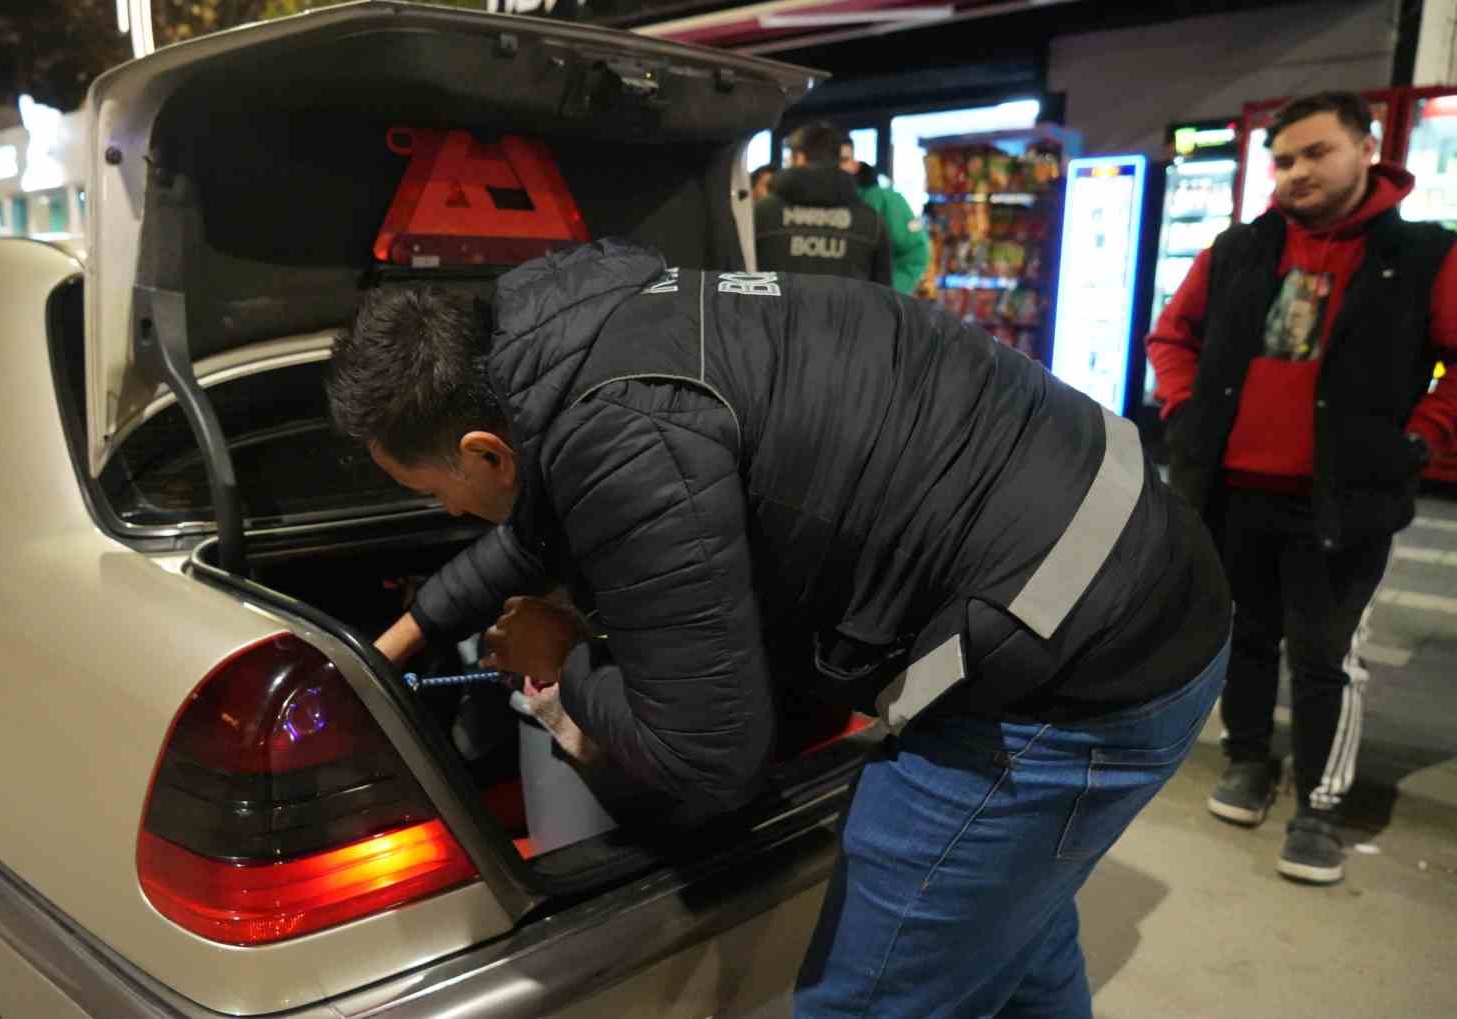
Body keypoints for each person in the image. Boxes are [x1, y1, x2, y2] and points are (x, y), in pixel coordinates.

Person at [330, 237, 1232, 1017]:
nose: (447, 512)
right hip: (1133, 561)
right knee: (1014, 924)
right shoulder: (580, 333)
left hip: (1080, 666)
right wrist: (400, 639)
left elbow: (709, 759)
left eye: (433, 492)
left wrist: (564, 663)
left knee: (865, 998)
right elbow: (541, 522)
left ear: (485, 451)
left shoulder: (625, 436)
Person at [1147, 91, 1457, 885]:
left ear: (1366, 146)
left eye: (1316, 153)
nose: (1295, 173)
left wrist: (1423, 436)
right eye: (1282, 160)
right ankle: (1247, 760)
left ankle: (1320, 803)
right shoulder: (1239, 248)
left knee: (1326, 655)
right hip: (1230, 491)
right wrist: (1184, 411)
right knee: (1246, 636)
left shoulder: (1423, 254)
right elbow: (1171, 335)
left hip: (1341, 500)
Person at [755, 122, 890, 284]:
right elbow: (882, 297)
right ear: (837, 160)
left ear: (799, 158)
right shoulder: (870, 222)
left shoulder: (762, 214)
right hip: (849, 309)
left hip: (777, 309)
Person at [839, 137, 930, 295]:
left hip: (866, 308)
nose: (838, 167)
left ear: (855, 163)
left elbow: (916, 252)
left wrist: (885, 295)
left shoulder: (887, 201)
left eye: (844, 159)